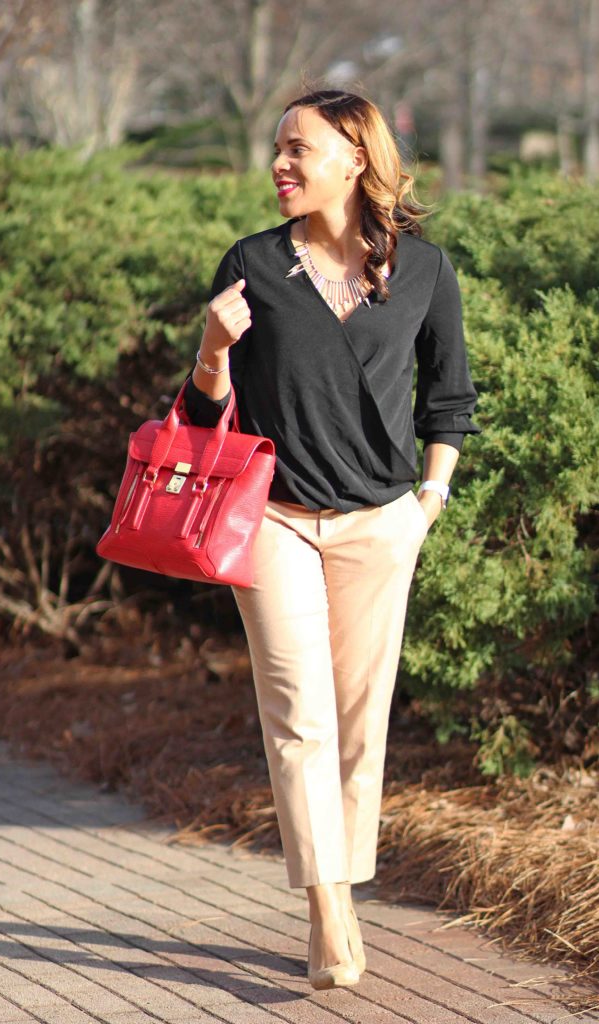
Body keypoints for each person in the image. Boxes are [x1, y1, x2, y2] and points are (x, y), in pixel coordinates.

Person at [182, 90, 479, 990]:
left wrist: (427, 501)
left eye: (296, 148)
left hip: (380, 525)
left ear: (354, 158)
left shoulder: (423, 269)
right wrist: (212, 348)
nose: (278, 163)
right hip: (273, 520)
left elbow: (449, 400)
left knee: (357, 720)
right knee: (298, 717)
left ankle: (339, 883)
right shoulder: (253, 264)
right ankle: (328, 909)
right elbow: (201, 415)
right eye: (277, 148)